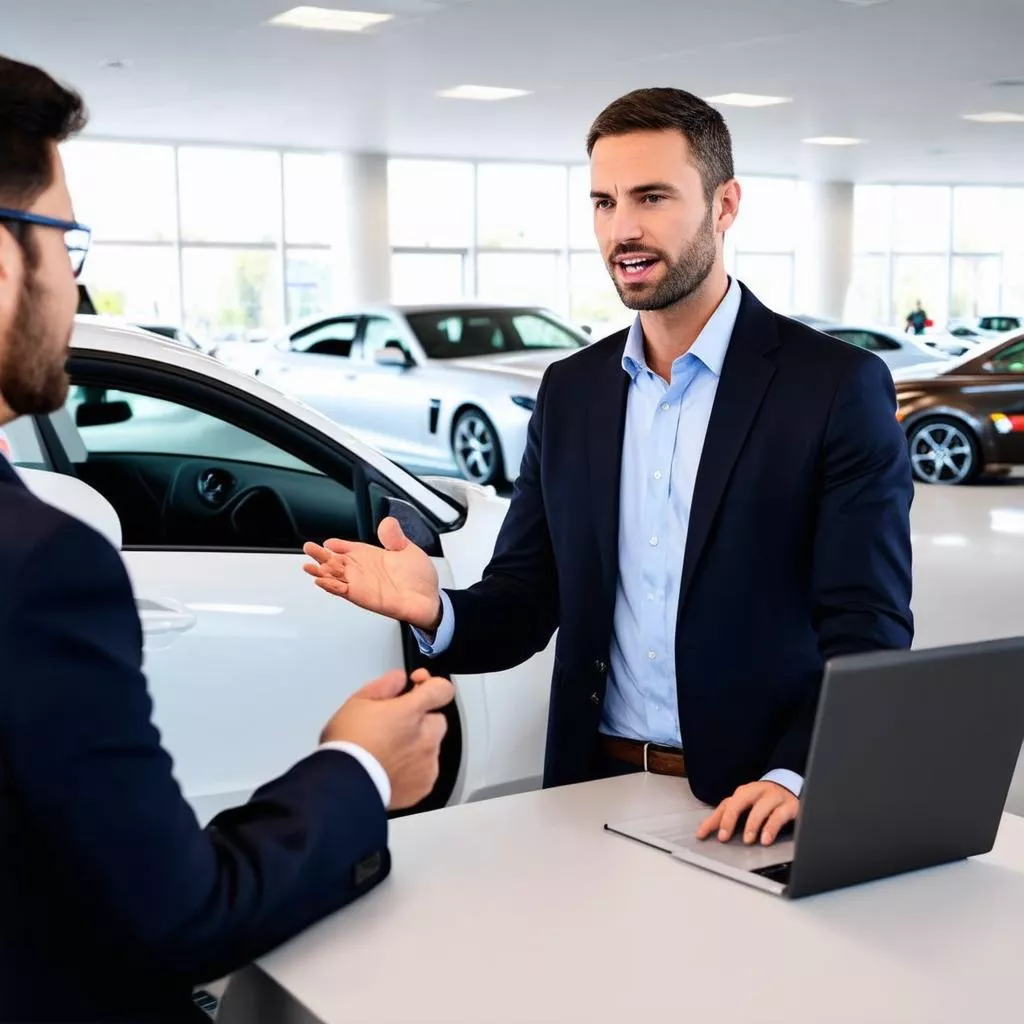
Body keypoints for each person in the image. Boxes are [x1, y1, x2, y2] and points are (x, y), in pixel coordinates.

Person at [304, 87, 913, 849]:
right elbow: (528, 599)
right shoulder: (572, 391)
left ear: (725, 205)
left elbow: (869, 627)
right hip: (590, 793)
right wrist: (439, 610)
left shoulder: (832, 387)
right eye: (603, 201)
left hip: (755, 807)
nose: (622, 228)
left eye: (652, 197)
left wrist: (795, 774)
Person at [0, 56, 453, 1024]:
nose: (74, 289)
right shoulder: (37, 563)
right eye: (64, 241)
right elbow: (177, 917)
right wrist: (358, 763)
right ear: (5, 261)